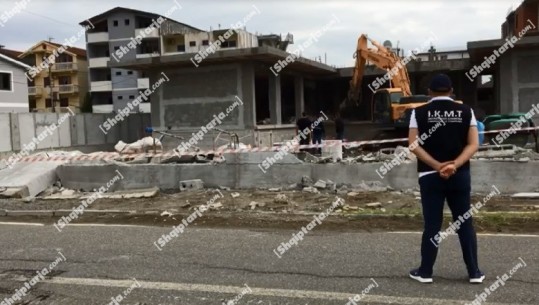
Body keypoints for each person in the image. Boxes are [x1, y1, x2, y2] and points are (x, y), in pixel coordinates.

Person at [408, 74, 483, 284]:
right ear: (451, 91)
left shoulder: (418, 112)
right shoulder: (466, 111)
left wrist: (436, 165)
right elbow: (473, 144)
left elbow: (413, 144)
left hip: (430, 176)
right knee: (464, 223)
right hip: (459, 175)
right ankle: (474, 272)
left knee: (432, 225)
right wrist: (454, 165)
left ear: (429, 93)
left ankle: (425, 272)